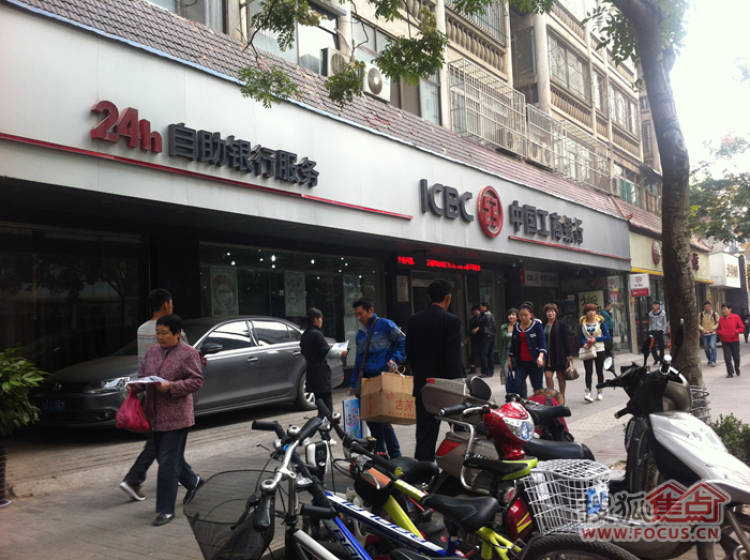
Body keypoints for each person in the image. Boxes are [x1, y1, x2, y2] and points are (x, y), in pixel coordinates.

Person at [127, 314, 203, 526]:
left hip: (177, 417)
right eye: (158, 333)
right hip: (154, 416)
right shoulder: (152, 352)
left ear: (177, 334)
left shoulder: (188, 353)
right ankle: (196, 483)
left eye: (164, 333)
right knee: (167, 459)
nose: (160, 337)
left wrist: (172, 386)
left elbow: (196, 381)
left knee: (168, 463)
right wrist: (135, 386)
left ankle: (165, 510)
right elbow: (144, 376)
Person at [120, 288, 176, 502]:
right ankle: (133, 479)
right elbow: (183, 358)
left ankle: (179, 473)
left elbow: (142, 363)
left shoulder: (142, 329)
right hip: (167, 393)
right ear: (166, 304)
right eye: (171, 302)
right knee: (160, 441)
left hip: (148, 391)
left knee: (164, 440)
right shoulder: (173, 328)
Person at [405, 279, 465, 461]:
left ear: (429, 297)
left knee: (425, 437)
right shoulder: (452, 321)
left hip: (424, 386)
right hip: (448, 388)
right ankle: (457, 468)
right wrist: (461, 385)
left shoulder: (414, 321)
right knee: (460, 432)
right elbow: (453, 359)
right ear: (448, 298)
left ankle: (423, 472)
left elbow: (410, 354)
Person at [350, 298, 406, 458]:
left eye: (361, 313)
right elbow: (359, 361)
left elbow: (403, 342)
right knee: (370, 418)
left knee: (383, 418)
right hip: (366, 380)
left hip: (383, 377)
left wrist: (395, 359)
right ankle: (380, 452)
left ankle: (396, 455)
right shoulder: (360, 334)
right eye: (356, 314)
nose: (359, 317)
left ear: (370, 311)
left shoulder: (386, 325)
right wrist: (353, 383)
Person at [300, 308, 348, 417]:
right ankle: (328, 426)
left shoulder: (305, 335)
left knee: (321, 406)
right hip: (321, 374)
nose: (322, 321)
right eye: (321, 318)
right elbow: (327, 352)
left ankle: (322, 425)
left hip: (311, 373)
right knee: (327, 407)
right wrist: (342, 352)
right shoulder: (317, 334)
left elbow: (304, 352)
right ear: (316, 320)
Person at [507, 302, 547, 398]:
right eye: (521, 315)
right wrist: (509, 359)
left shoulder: (537, 325)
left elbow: (542, 342)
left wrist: (541, 356)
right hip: (521, 362)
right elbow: (513, 344)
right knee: (518, 385)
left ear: (531, 315)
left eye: (525, 315)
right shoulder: (516, 327)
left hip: (535, 362)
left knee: (537, 387)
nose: (523, 317)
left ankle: (539, 404)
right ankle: (522, 403)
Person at [579, 303, 610, 403]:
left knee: (599, 371)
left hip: (599, 349)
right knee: (588, 371)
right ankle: (588, 392)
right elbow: (581, 337)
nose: (591, 313)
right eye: (589, 311)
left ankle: (600, 391)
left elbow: (607, 337)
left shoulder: (600, 322)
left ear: (596, 312)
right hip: (588, 350)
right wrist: (584, 343)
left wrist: (596, 339)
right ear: (586, 313)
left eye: (593, 310)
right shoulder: (582, 323)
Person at [543, 303, 573, 400]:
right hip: (547, 356)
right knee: (548, 376)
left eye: (552, 311)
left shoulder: (561, 324)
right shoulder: (543, 325)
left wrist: (569, 354)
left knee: (560, 377)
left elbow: (566, 340)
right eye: (548, 311)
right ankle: (553, 397)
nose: (550, 313)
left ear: (556, 313)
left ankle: (562, 396)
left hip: (559, 354)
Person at [717, 303, 745, 378]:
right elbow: (718, 329)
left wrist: (736, 331)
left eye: (725, 309)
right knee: (727, 358)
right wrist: (721, 332)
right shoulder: (721, 319)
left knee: (736, 357)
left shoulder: (736, 317)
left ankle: (737, 367)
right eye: (722, 309)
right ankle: (730, 372)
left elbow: (742, 327)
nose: (723, 311)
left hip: (734, 340)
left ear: (730, 309)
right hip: (725, 341)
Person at [498, 308, 518, 385]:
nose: (511, 316)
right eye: (509, 314)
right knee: (506, 372)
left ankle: (520, 390)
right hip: (506, 352)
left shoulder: (520, 326)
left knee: (519, 374)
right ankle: (510, 389)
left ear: (517, 317)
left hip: (517, 352)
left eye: (513, 315)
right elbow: (502, 339)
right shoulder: (503, 327)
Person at [477, 302, 497, 377]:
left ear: (485, 307)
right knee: (490, 354)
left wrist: (478, 315)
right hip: (491, 336)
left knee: (484, 354)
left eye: (481, 307)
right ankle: (490, 372)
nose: (480, 309)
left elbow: (479, 322)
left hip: (485, 336)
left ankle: (485, 372)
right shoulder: (491, 314)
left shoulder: (485, 315)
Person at [699, 301, 719, 367]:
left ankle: (713, 361)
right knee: (706, 348)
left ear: (711, 306)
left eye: (708, 306)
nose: (707, 308)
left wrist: (713, 328)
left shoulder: (715, 314)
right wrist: (702, 329)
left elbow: (718, 323)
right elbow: (698, 323)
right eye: (705, 307)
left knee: (712, 345)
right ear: (704, 307)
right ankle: (710, 359)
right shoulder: (701, 315)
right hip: (704, 334)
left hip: (713, 333)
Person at [648, 301, 667, 365]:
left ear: (658, 306)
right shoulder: (650, 314)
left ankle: (661, 360)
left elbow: (664, 323)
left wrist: (663, 330)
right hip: (653, 331)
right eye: (653, 305)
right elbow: (650, 323)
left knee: (661, 347)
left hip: (660, 331)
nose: (654, 306)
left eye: (655, 305)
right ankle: (656, 358)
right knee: (652, 346)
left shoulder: (663, 313)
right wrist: (650, 331)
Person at [466, 305, 482, 374]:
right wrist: (468, 337)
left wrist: (478, 328)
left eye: (477, 311)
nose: (475, 312)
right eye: (474, 311)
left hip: (480, 338)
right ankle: (473, 368)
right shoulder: (472, 319)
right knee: (473, 353)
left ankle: (481, 368)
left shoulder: (482, 318)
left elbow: (483, 326)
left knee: (480, 353)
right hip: (473, 338)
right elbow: (470, 329)